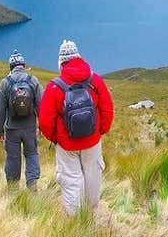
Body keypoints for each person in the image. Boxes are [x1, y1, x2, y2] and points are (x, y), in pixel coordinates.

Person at [39, 39, 114, 215]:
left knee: (71, 180)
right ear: (78, 57)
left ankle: (76, 221)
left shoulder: (53, 87)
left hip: (67, 145)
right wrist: (99, 131)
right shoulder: (95, 80)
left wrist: (57, 138)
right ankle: (92, 212)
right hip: (92, 141)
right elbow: (107, 110)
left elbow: (44, 121)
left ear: (61, 63)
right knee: (92, 176)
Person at [0, 50, 43, 190]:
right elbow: (41, 104)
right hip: (30, 128)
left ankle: (13, 186)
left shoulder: (5, 83)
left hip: (12, 129)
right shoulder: (33, 80)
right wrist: (43, 127)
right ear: (23, 65)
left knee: (13, 157)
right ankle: (32, 183)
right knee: (32, 153)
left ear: (11, 66)